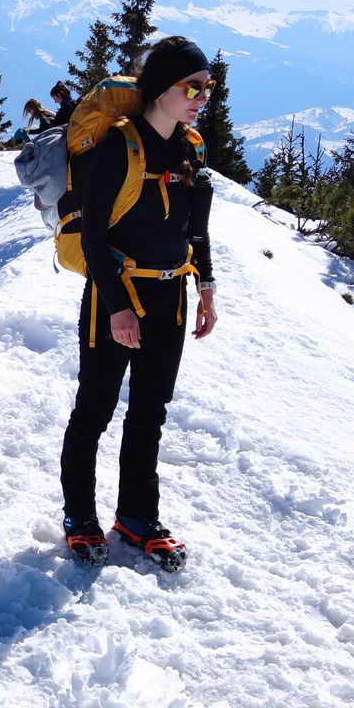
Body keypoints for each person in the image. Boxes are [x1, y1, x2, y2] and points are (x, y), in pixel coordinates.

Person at [60, 35, 219, 568]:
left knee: (150, 412)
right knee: (95, 410)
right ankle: (80, 516)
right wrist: (119, 307)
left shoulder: (191, 148)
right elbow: (94, 238)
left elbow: (197, 230)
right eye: (191, 86)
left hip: (172, 295)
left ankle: (135, 517)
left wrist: (207, 289)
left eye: (207, 87)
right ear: (160, 88)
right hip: (117, 294)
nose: (202, 96)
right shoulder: (118, 147)